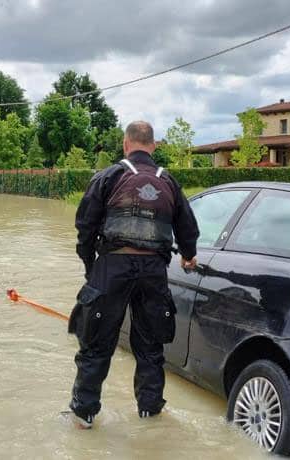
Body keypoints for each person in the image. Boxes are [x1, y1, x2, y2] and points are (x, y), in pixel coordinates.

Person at [67, 120, 200, 429]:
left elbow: (85, 227)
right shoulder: (168, 182)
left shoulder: (108, 176)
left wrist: (91, 267)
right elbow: (188, 228)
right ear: (153, 146)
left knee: (96, 344)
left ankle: (84, 414)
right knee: (151, 345)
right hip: (153, 271)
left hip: (112, 268)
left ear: (126, 144)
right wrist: (189, 256)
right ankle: (150, 412)